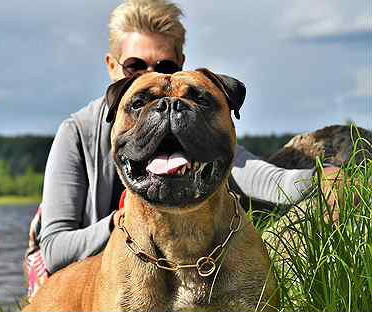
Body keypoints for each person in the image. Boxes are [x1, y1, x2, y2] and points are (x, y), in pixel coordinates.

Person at [24, 0, 340, 299]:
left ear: (180, 65)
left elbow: (260, 176)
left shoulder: (196, 126)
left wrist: (324, 178)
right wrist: (123, 222)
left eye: (164, 65)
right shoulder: (78, 132)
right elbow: (54, 248)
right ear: (112, 66)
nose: (151, 77)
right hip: (77, 272)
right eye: (135, 67)